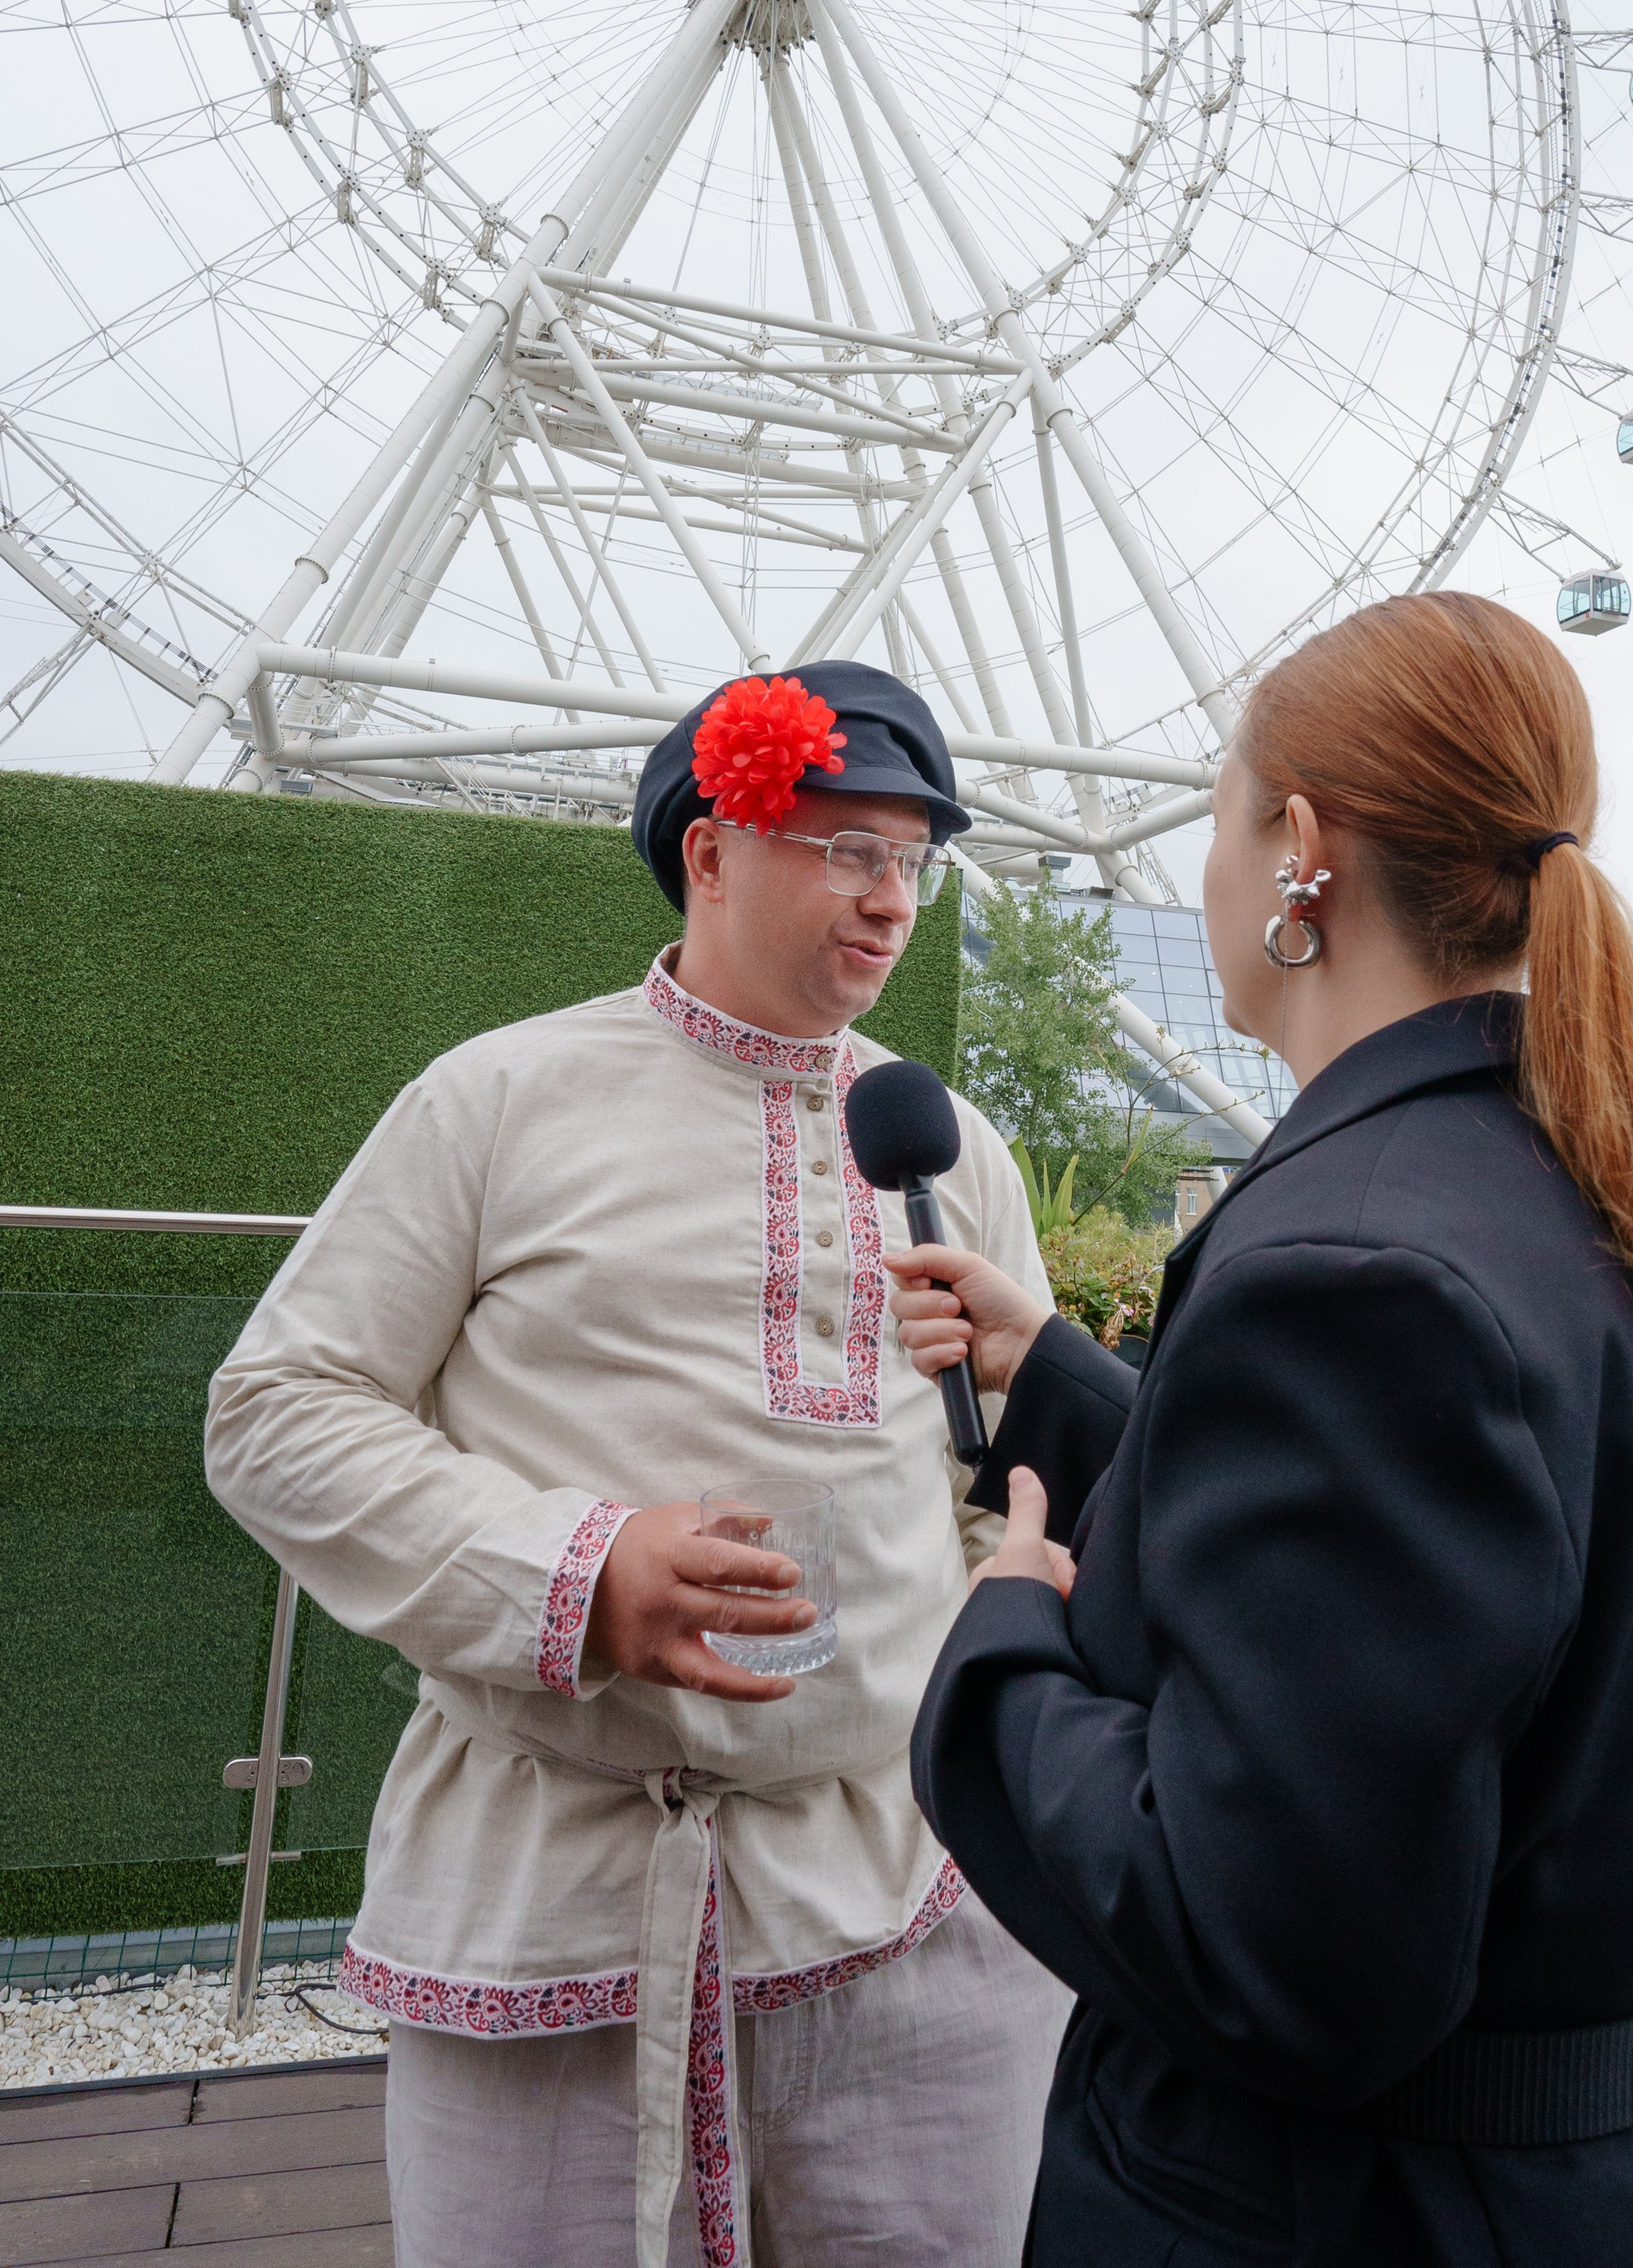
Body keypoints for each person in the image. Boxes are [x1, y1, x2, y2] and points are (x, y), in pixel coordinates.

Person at [892, 594, 1633, 2268]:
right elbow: (1439, 1588)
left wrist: (1002, 1654)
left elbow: (1267, 1956)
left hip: (1373, 2213)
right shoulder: (1559, 1178)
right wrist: (1061, 1379)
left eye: (1216, 824)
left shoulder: (1350, 1273)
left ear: (1301, 853)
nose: (1203, 877)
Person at [205, 662, 1068, 2268]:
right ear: (711, 851)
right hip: (557, 1904)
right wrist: (579, 1571)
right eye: (848, 847)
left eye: (913, 859)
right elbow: (280, 1408)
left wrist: (992, 1668)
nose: (891, 899)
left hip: (915, 1912)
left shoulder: (954, 1148)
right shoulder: (496, 1100)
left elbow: (994, 1484)